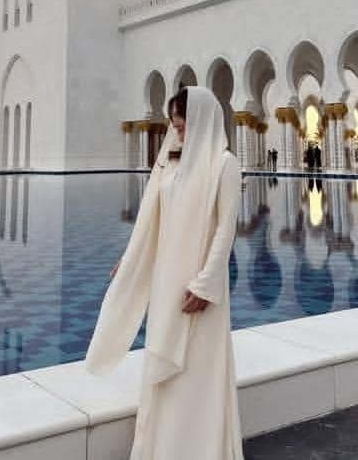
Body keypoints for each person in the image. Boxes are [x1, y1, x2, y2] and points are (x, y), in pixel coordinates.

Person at [85, 86, 244, 460]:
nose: (177, 132)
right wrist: (132, 259)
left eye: (182, 125)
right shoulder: (170, 166)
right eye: (174, 125)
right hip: (166, 280)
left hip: (199, 286)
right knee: (163, 365)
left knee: (197, 372)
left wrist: (205, 284)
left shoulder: (224, 165)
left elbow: (226, 229)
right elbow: (151, 220)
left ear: (202, 120)